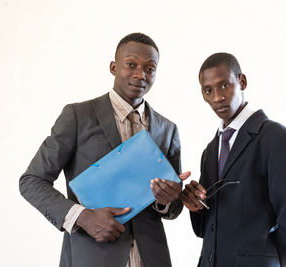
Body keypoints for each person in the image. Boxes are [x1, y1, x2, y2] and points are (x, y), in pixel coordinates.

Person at [19, 33, 190, 267]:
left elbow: (173, 207)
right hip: (90, 256)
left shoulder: (167, 129)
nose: (141, 75)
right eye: (131, 65)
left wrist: (167, 201)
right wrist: (83, 217)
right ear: (113, 67)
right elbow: (31, 180)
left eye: (150, 69)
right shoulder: (77, 116)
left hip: (152, 257)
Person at [180, 53, 286, 267]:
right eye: (209, 90)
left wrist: (269, 260)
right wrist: (196, 206)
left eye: (224, 85)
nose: (217, 97)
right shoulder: (210, 151)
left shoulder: (277, 139)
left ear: (241, 81)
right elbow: (207, 229)